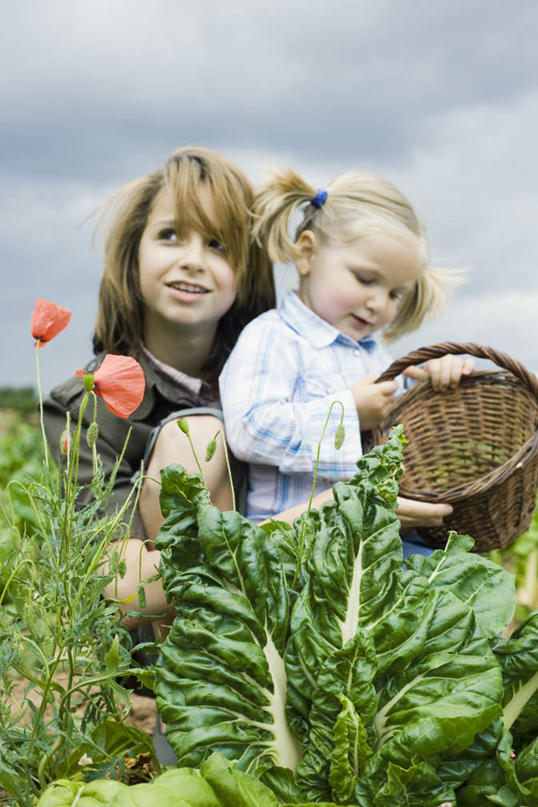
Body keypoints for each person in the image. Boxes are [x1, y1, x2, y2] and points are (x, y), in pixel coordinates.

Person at [44, 152, 455, 632]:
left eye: (218, 244)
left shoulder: (283, 368)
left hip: (309, 606)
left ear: (247, 264)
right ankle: (201, 678)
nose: (193, 261)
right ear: (134, 250)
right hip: (182, 641)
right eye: (170, 235)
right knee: (198, 436)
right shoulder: (88, 405)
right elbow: (120, 592)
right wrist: (315, 518)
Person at [219, 168, 472, 537]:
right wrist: (347, 413)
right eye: (366, 280)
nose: (377, 303)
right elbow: (250, 428)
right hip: (294, 550)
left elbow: (413, 441)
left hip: (369, 543)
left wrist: (437, 385)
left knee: (458, 577)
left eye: (394, 294)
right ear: (307, 254)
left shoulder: (379, 359)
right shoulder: (273, 338)